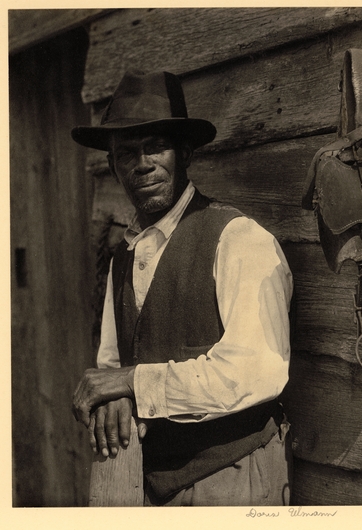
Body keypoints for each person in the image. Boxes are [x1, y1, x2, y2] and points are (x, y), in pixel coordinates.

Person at [71, 70, 293, 507]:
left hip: (232, 476)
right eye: (126, 153)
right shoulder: (124, 255)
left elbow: (254, 371)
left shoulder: (237, 238)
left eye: (156, 146)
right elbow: (112, 363)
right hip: (148, 483)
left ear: (185, 153)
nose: (142, 164)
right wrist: (115, 396)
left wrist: (131, 384)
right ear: (114, 167)